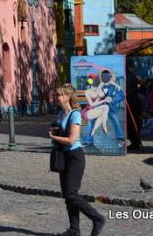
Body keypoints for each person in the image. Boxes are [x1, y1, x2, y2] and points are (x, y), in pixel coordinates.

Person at [49, 84, 105, 236]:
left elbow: (72, 140)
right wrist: (56, 132)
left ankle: (97, 218)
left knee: (71, 194)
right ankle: (74, 229)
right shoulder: (60, 114)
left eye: (59, 94)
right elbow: (62, 135)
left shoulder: (75, 114)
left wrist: (54, 137)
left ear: (67, 97)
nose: (56, 97)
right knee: (67, 196)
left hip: (75, 157)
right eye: (56, 94)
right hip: (63, 157)